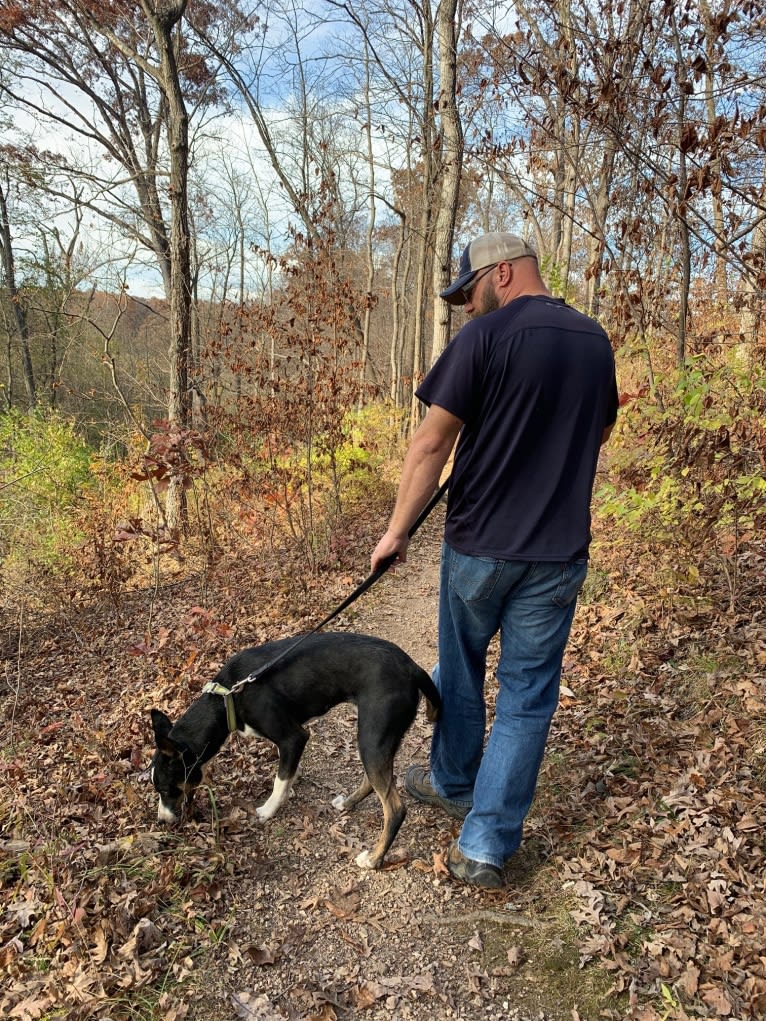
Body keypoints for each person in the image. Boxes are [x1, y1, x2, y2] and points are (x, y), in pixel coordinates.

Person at [371, 232, 618, 889]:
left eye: (468, 292)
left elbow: (429, 444)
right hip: (558, 552)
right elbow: (595, 433)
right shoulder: (596, 341)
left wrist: (396, 533)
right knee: (527, 699)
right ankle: (484, 845)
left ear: (501, 273)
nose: (466, 308)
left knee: (460, 666)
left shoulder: (486, 338)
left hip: (478, 546)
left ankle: (453, 780)